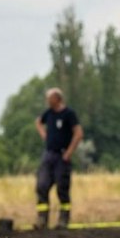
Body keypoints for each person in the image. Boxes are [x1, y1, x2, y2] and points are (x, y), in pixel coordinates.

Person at [33, 87, 83, 228]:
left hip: (62, 156)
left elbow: (78, 133)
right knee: (42, 185)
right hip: (49, 154)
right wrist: (45, 135)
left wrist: (69, 152)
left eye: (50, 98)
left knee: (62, 187)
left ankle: (63, 220)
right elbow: (38, 122)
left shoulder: (69, 114)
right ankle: (42, 220)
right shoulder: (48, 113)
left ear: (57, 98)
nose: (47, 101)